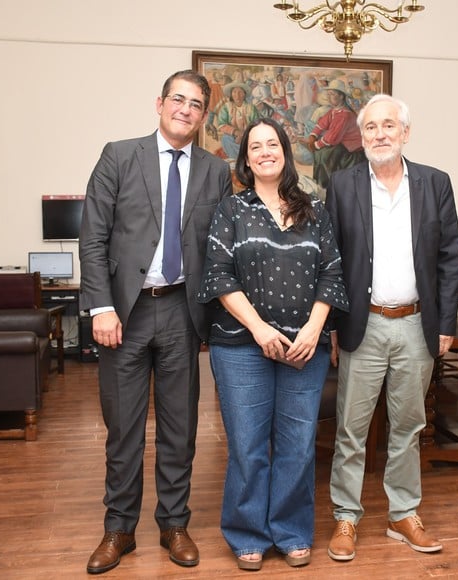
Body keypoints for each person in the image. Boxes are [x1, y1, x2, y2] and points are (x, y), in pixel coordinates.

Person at [79, 69, 233, 575]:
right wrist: (101, 306)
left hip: (182, 314)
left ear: (204, 116)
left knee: (179, 426)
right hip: (124, 313)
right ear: (160, 103)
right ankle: (118, 529)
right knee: (123, 428)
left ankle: (174, 524)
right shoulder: (119, 156)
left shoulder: (215, 170)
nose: (185, 110)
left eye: (196, 104)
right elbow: (94, 237)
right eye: (178, 100)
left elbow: (223, 247)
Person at [198, 117, 349, 571]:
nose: (265, 151)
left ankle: (292, 530)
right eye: (255, 146)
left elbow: (333, 273)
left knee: (298, 444)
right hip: (241, 346)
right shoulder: (231, 210)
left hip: (306, 346)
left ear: (285, 151)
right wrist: (260, 329)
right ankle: (247, 533)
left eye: (272, 144)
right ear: (245, 159)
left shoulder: (316, 210)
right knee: (246, 445)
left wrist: (313, 330)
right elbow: (219, 275)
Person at [323, 94, 458, 561]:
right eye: (370, 128)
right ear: (360, 137)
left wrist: (445, 323)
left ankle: (403, 514)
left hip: (416, 325)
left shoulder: (434, 183)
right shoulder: (342, 185)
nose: (379, 135)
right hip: (363, 325)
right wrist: (334, 327)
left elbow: (450, 258)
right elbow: (333, 260)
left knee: (409, 425)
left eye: (389, 126)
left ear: (405, 133)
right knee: (351, 428)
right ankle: (346, 516)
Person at [300, 79, 366, 189]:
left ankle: (325, 185)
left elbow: (333, 137)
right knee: (321, 152)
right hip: (342, 143)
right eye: (329, 94)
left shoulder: (345, 114)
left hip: (352, 149)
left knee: (324, 154)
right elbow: (322, 124)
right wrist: (313, 136)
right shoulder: (334, 111)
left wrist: (315, 145)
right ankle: (320, 182)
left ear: (341, 96)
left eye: (333, 94)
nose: (330, 97)